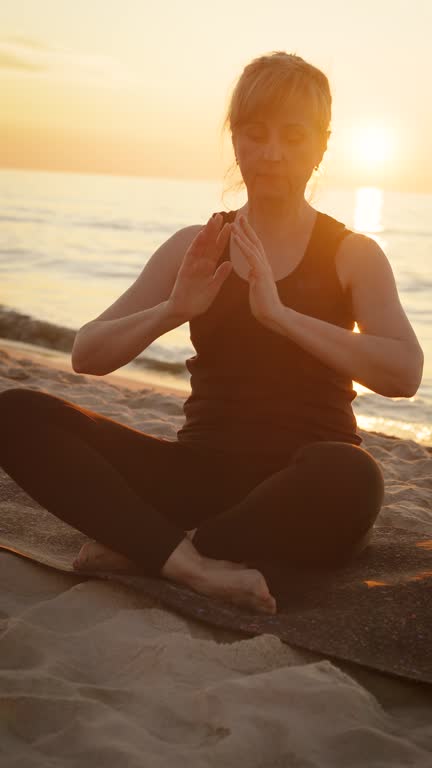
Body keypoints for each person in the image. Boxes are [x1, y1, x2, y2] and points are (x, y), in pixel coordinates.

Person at [0, 52, 424, 616]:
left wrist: (281, 315)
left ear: (322, 145)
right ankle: (191, 564)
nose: (272, 153)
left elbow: (404, 372)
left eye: (293, 137)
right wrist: (172, 310)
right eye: (255, 134)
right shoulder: (194, 247)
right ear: (236, 140)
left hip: (302, 487)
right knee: (17, 413)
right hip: (197, 474)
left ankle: (160, 550)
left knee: (354, 475)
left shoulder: (353, 254)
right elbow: (87, 355)